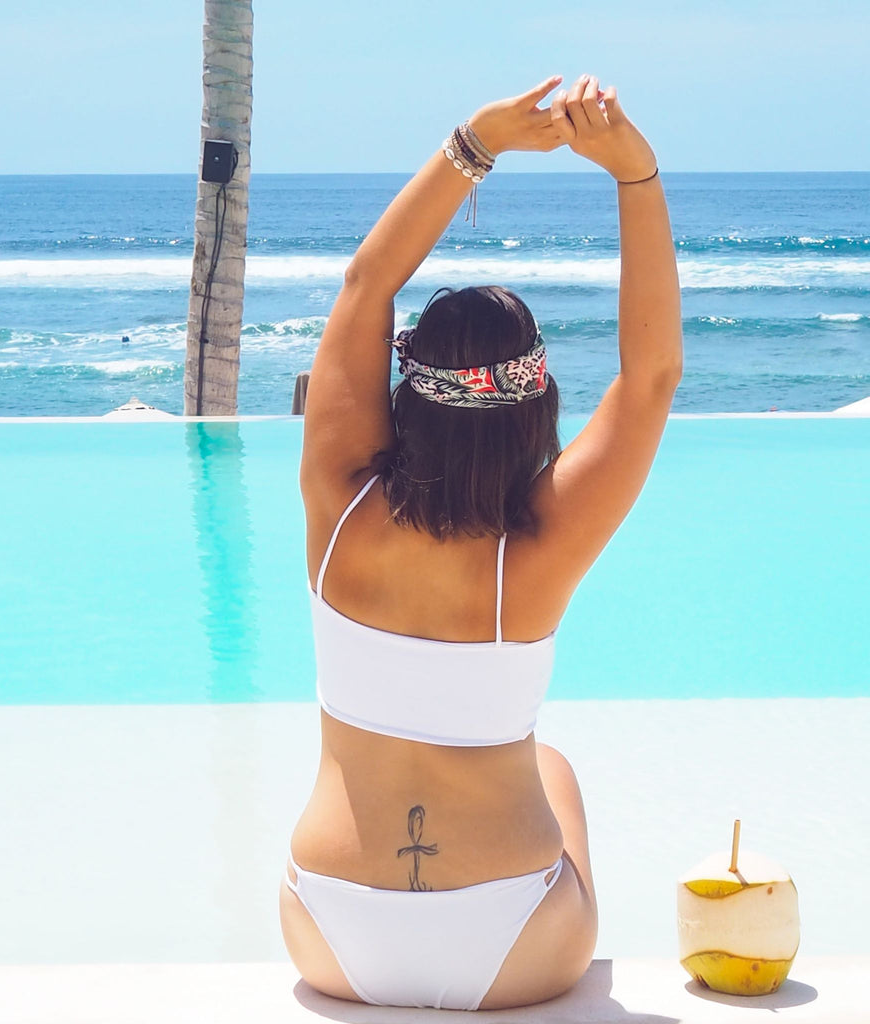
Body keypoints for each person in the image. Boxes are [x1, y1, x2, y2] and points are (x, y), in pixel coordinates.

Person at [280, 74, 682, 1010]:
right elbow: (651, 375)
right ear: (537, 409)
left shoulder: (338, 506)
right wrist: (635, 171)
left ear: (405, 395)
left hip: (328, 930)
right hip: (511, 947)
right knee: (553, 769)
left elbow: (366, 281)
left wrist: (476, 143)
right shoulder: (539, 550)